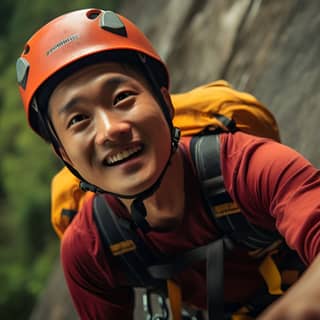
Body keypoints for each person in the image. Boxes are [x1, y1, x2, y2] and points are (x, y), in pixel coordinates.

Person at [16, 7, 320, 320]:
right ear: (65, 155)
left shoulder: (246, 167)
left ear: (165, 102)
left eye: (122, 97)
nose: (110, 130)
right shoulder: (90, 248)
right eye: (79, 120)